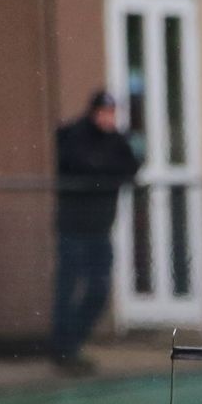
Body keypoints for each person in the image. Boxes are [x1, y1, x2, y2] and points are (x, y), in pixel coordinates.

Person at [51, 89, 140, 373]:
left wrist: (103, 169)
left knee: (99, 290)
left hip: (100, 229)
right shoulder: (74, 136)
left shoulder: (116, 140)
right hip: (74, 228)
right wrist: (103, 170)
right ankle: (62, 348)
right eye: (104, 112)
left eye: (112, 113)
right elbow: (79, 165)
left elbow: (129, 169)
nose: (108, 119)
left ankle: (71, 343)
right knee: (67, 290)